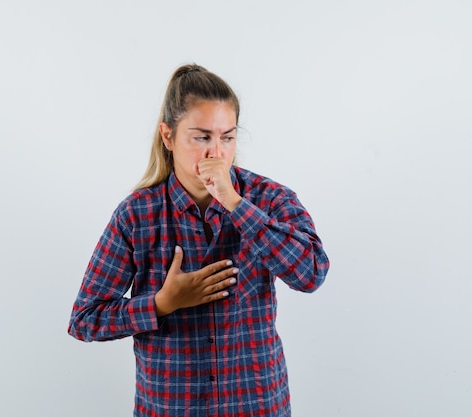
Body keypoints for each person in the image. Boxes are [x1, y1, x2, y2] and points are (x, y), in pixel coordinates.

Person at [68, 64, 330, 417]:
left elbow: (312, 273)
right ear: (168, 136)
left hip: (255, 406)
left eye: (227, 137)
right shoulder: (136, 214)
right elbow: (85, 320)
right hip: (171, 407)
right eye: (202, 137)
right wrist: (161, 303)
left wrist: (236, 204)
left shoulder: (269, 198)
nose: (216, 153)